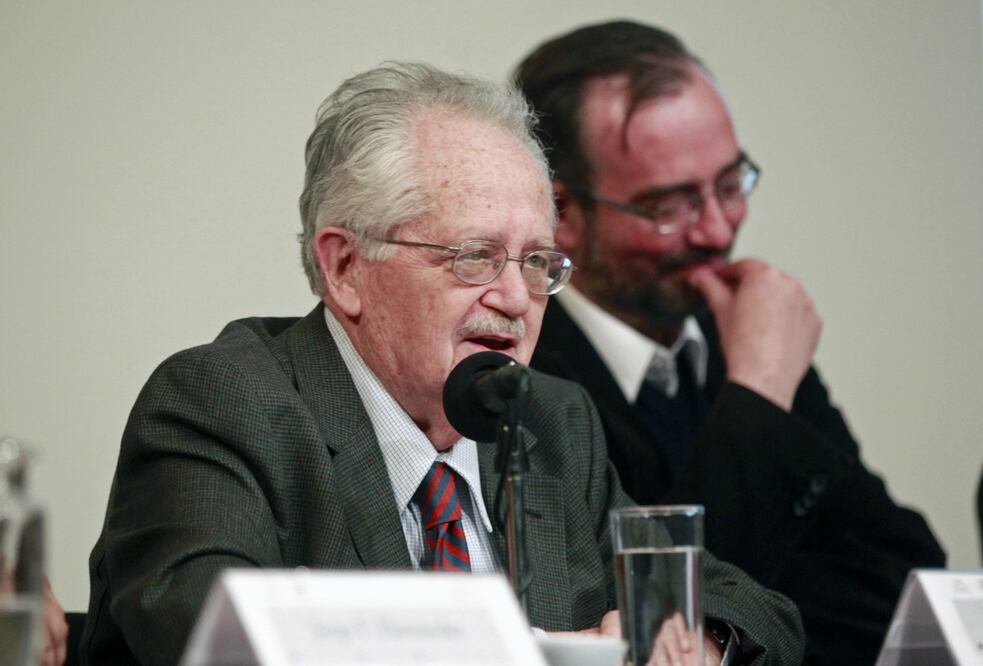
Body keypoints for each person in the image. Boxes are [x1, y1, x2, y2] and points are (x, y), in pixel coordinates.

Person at [80, 62, 803, 666]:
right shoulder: (223, 405)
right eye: (474, 257)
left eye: (536, 262)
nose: (515, 299)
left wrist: (698, 641)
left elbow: (751, 607)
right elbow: (211, 640)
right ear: (345, 267)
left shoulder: (550, 422)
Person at [515, 20, 946, 665]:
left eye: (729, 184)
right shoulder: (528, 371)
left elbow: (907, 591)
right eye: (670, 206)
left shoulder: (736, 333)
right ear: (563, 213)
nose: (717, 231)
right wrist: (759, 394)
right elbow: (654, 624)